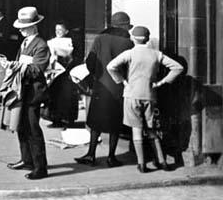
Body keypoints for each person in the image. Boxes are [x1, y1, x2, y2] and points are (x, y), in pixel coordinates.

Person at [107, 26, 184, 173]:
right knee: (152, 130)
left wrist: (122, 81)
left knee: (137, 130)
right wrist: (161, 83)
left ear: (133, 39)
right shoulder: (156, 54)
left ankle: (142, 164)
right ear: (148, 39)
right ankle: (162, 162)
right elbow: (178, 68)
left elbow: (111, 66)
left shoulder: (129, 53)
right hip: (150, 95)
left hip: (131, 95)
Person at [74, 11, 134, 167]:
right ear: (124, 26)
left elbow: (90, 62)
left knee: (95, 122)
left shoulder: (100, 38)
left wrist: (96, 76)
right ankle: (111, 157)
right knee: (115, 123)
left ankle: (91, 154)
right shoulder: (128, 43)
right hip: (118, 87)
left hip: (101, 86)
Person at [1, 6, 50, 180]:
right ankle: (26, 159)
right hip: (22, 91)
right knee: (21, 126)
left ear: (34, 26)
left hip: (33, 92)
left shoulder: (41, 45)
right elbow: (24, 64)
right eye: (20, 27)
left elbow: (37, 69)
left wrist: (15, 67)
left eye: (24, 27)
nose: (20, 29)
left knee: (32, 129)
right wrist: (10, 64)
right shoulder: (25, 43)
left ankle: (40, 167)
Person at [44, 20, 78, 127]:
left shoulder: (70, 41)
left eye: (60, 30)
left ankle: (67, 119)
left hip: (65, 71)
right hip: (54, 71)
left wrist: (67, 56)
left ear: (66, 31)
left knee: (66, 96)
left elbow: (73, 56)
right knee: (54, 94)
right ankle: (55, 119)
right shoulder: (51, 41)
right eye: (56, 30)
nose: (58, 32)